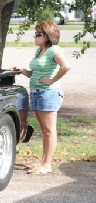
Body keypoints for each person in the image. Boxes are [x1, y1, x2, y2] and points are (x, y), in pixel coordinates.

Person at [11, 21, 71, 174]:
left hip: (48, 93)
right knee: (44, 130)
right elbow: (34, 73)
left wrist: (52, 80)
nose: (35, 36)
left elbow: (66, 66)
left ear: (48, 35)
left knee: (49, 130)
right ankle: (43, 163)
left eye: (38, 34)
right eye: (35, 33)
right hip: (37, 92)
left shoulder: (54, 50)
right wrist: (22, 70)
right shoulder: (39, 51)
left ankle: (47, 165)